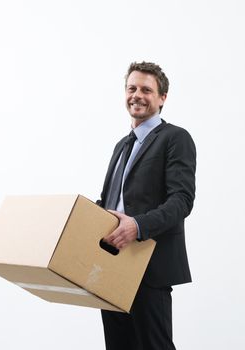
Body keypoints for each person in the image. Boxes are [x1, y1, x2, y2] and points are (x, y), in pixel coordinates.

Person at [97, 61, 196, 350]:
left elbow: (181, 200)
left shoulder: (174, 138)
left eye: (146, 90)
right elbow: (112, 201)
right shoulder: (121, 146)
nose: (136, 95)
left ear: (162, 98)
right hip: (111, 262)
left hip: (150, 265)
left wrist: (137, 226)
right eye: (131, 88)